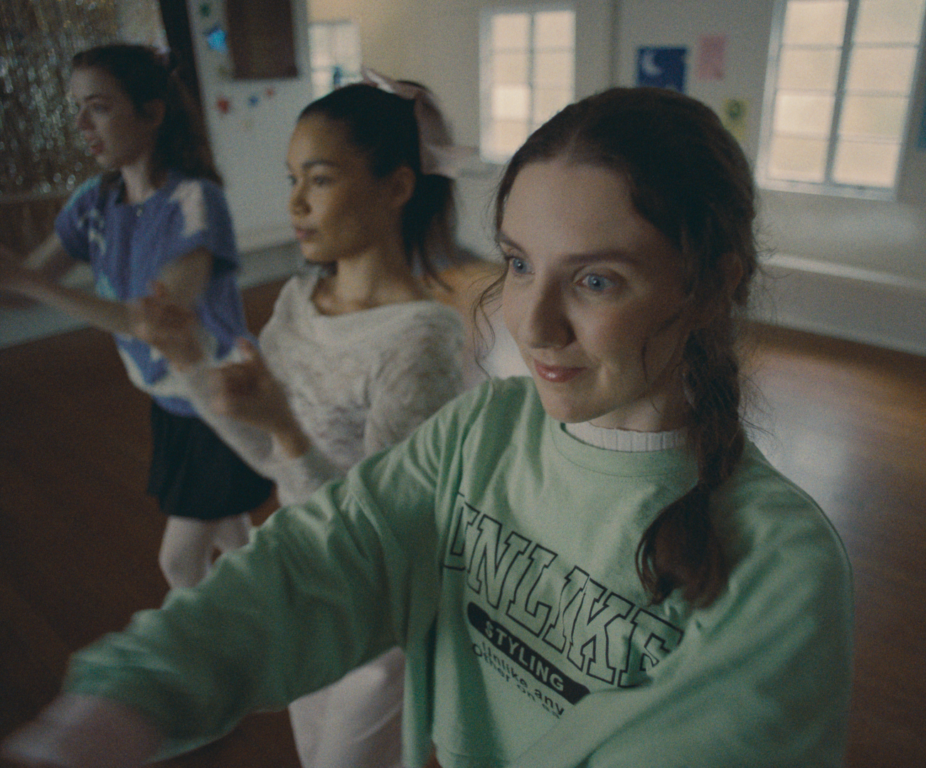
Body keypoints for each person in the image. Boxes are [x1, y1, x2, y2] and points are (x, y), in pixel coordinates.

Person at [1, 87, 855, 768]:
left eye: (595, 280)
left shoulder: (782, 568)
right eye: (518, 264)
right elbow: (324, 556)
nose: (534, 325)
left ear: (710, 286)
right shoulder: (484, 428)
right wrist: (118, 704)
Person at [129, 74, 467, 768]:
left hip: (378, 618)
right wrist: (190, 359)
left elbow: (378, 541)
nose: (295, 203)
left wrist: (286, 429)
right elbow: (268, 456)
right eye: (292, 179)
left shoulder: (421, 341)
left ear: (397, 187)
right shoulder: (299, 298)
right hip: (302, 582)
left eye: (320, 179)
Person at [0, 43, 273, 591]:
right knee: (233, 536)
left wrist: (26, 281)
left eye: (98, 107)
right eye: (77, 108)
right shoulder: (94, 202)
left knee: (179, 563)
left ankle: (213, 639)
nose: (82, 124)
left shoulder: (194, 200)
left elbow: (154, 323)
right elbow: (24, 284)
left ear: (151, 113)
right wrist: (19, 278)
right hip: (172, 401)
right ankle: (275, 608)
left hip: (220, 396)